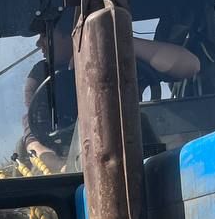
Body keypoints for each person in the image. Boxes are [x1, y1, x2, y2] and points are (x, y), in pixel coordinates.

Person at [22, 12, 200, 173]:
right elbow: (34, 140)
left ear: (73, 32)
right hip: (76, 166)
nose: (39, 43)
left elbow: (190, 65)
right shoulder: (41, 77)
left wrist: (119, 41)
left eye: (45, 34)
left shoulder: (120, 55)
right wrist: (60, 166)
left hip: (143, 153)